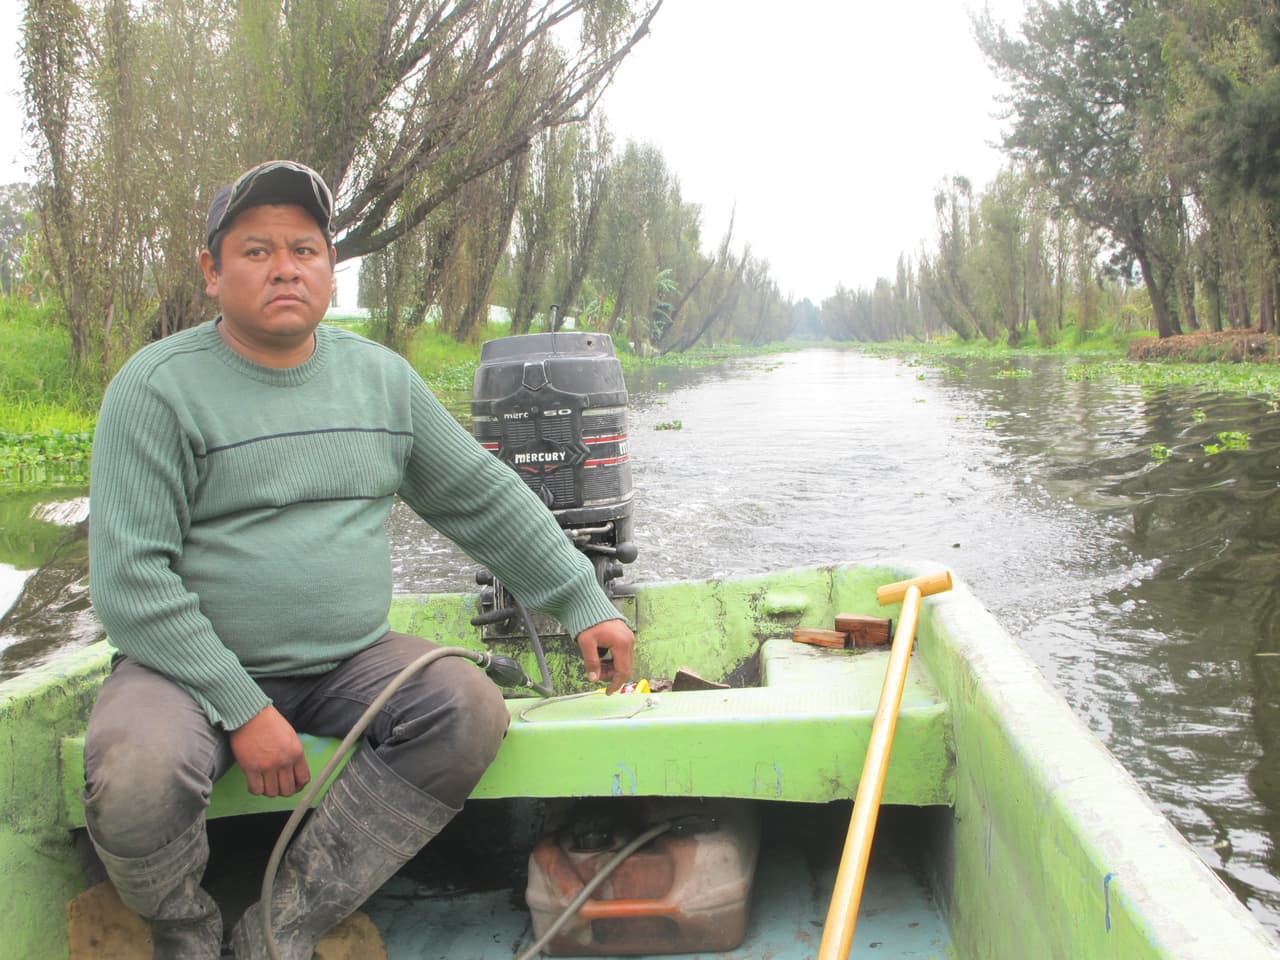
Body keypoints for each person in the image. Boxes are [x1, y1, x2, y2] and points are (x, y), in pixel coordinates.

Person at [82, 159, 636, 959]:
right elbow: (130, 585)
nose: (285, 268)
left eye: (305, 250)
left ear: (329, 270)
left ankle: (283, 926)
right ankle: (187, 933)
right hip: (183, 674)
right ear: (211, 271)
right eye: (257, 250)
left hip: (348, 661)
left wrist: (583, 600)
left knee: (467, 710)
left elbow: (483, 496)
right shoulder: (156, 390)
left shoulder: (380, 381)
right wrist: (242, 706)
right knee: (135, 778)